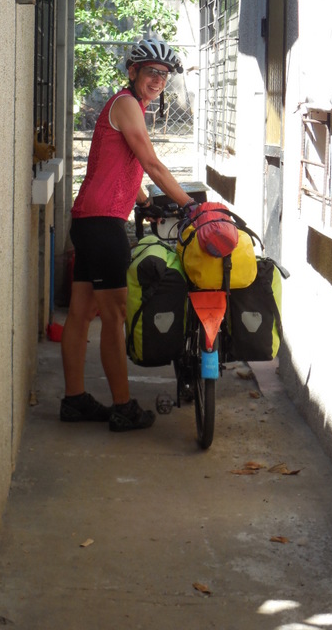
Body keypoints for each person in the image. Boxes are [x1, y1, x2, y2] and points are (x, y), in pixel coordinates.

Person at [60, 37, 197, 431]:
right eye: (151, 72)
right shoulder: (127, 105)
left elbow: (119, 165)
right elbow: (151, 163)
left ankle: (74, 400)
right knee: (115, 315)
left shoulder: (127, 106)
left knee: (81, 313)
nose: (158, 80)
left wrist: (145, 202)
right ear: (133, 71)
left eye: (164, 75)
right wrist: (190, 205)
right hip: (102, 225)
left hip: (89, 221)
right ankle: (123, 406)